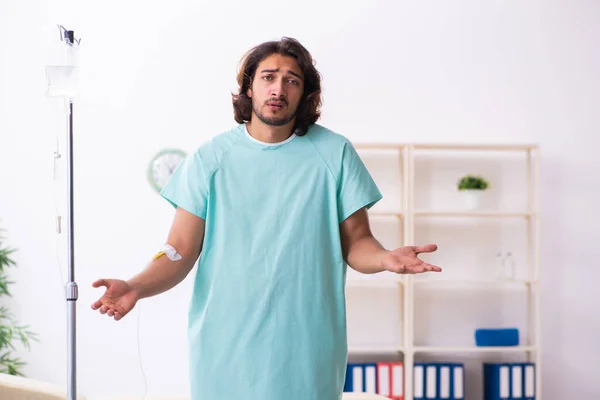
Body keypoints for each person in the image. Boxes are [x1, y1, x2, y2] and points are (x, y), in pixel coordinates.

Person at [91, 36, 442, 400]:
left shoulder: (334, 154)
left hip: (308, 345)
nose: (278, 89)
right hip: (226, 346)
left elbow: (356, 243)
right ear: (249, 86)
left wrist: (385, 258)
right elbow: (179, 250)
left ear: (305, 94)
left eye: (291, 80)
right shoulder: (210, 158)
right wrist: (135, 286)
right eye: (268, 77)